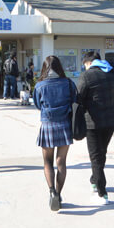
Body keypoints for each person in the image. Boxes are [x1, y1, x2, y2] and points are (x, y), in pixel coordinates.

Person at [77, 51, 114, 205]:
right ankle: (95, 179)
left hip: (92, 122)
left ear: (87, 63)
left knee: (95, 156)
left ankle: (101, 192)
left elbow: (78, 97)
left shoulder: (86, 76)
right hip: (110, 120)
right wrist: (110, 63)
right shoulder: (111, 73)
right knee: (102, 152)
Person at [32, 56, 76, 211]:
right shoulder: (68, 83)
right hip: (65, 124)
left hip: (48, 124)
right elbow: (74, 100)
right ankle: (59, 193)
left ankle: (51, 192)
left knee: (47, 162)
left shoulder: (40, 85)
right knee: (61, 162)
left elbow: (38, 105)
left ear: (44, 68)